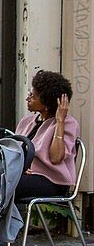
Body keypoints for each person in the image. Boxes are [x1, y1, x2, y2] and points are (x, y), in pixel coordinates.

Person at [15, 70, 79, 200]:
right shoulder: (27, 121)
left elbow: (56, 158)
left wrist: (60, 121)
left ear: (46, 104)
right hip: (23, 175)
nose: (28, 98)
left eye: (33, 96)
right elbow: (15, 151)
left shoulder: (67, 124)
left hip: (52, 181)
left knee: (2, 184)